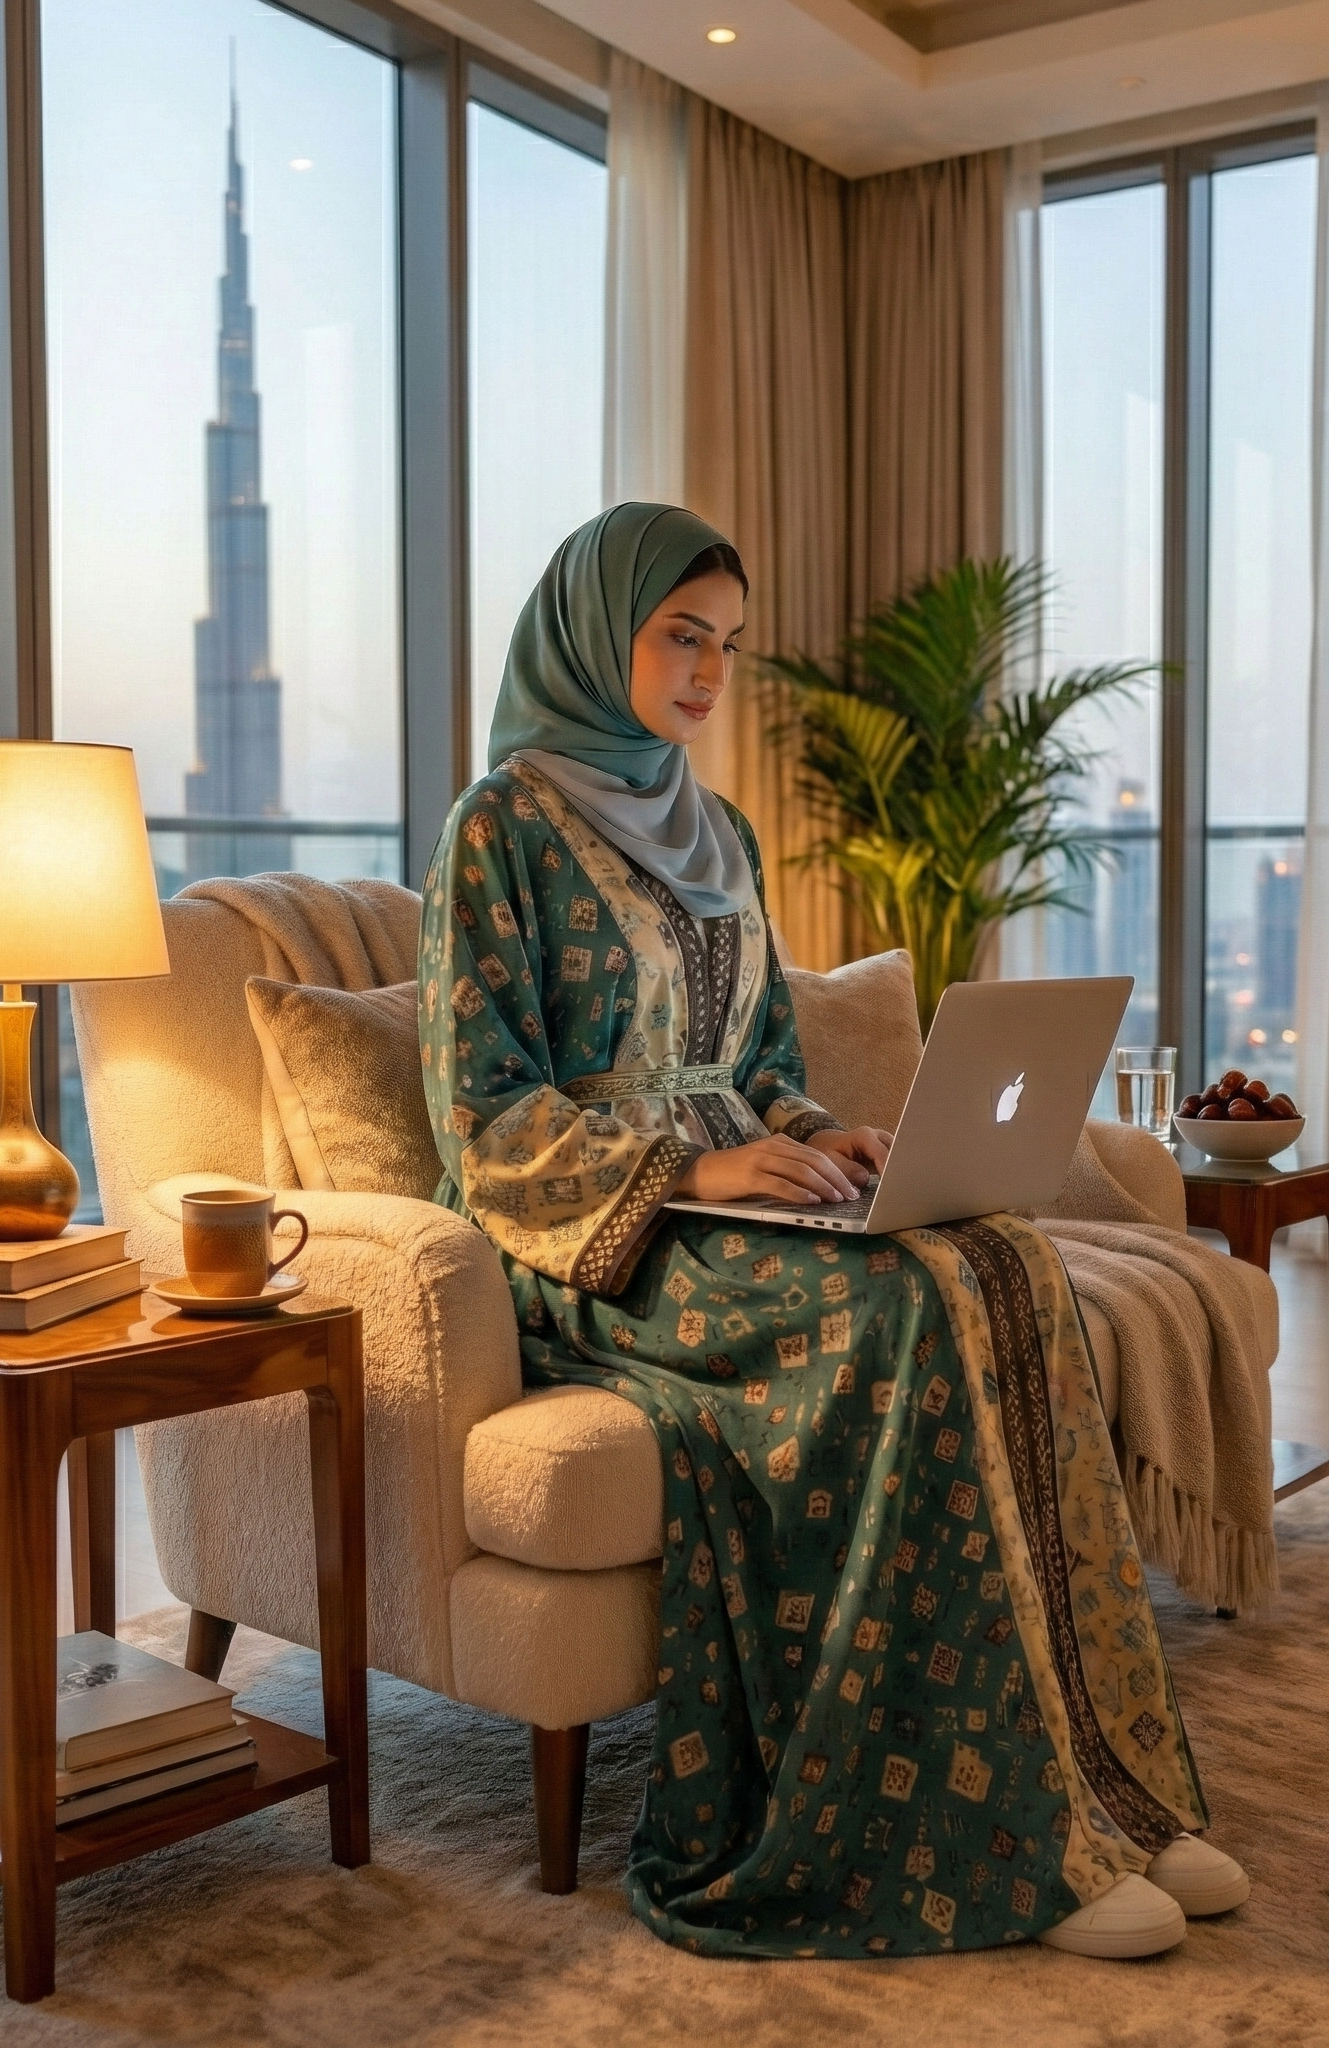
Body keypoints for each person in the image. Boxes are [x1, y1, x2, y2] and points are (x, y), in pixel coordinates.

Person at [419, 502, 1249, 1961]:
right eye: (684, 634)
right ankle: (991, 1846)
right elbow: (481, 1116)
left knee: (1003, 1260)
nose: (707, 671)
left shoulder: (718, 830)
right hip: (590, 1245)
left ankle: (1104, 1789)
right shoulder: (499, 827)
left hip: (734, 1198)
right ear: (594, 626)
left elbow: (764, 1064)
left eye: (729, 646)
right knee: (899, 1309)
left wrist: (813, 1138)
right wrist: (695, 1170)